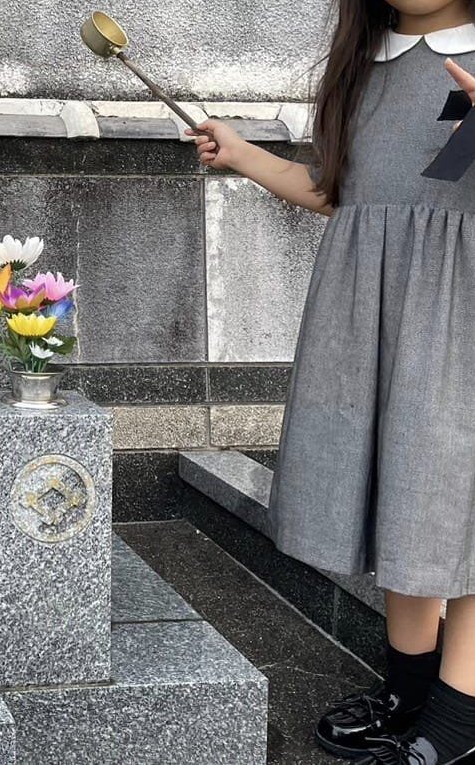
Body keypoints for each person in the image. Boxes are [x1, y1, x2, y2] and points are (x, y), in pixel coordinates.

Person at [191, 1, 475, 762]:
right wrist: (242, 153)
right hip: (369, 318)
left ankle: (458, 725)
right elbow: (336, 189)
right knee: (404, 495)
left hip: (460, 318)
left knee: (458, 506)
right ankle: (409, 692)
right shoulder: (364, 66)